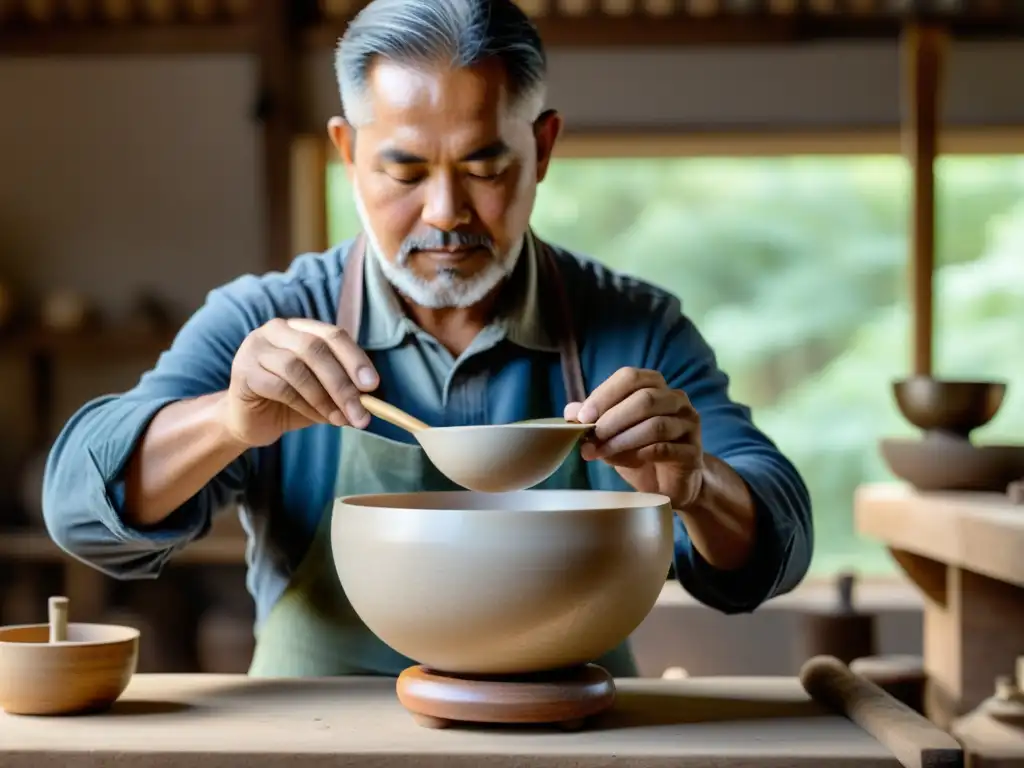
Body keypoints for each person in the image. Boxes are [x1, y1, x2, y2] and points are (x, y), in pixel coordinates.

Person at [42, 0, 812, 678]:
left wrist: (699, 484)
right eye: (405, 173)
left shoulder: (632, 325)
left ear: (542, 148)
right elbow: (76, 509)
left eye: (485, 166)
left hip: (575, 738)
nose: (445, 212)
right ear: (348, 153)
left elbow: (780, 544)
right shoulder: (271, 318)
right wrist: (228, 421)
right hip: (321, 739)